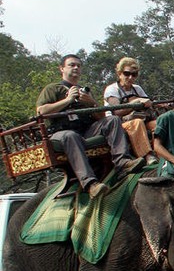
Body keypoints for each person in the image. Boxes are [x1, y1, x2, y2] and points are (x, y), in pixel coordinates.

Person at [36, 54, 144, 199]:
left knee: (112, 120)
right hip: (61, 132)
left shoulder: (84, 91)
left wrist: (91, 103)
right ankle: (90, 184)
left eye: (79, 66)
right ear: (61, 68)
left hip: (86, 130)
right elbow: (41, 111)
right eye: (72, 65)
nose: (76, 68)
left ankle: (123, 161)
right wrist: (68, 100)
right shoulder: (53, 89)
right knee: (70, 135)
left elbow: (101, 117)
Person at [103, 57, 158, 163]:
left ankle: (164, 152)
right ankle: (147, 155)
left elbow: (148, 103)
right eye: (127, 74)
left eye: (134, 74)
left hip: (141, 120)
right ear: (119, 73)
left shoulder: (137, 88)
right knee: (136, 123)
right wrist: (136, 102)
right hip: (118, 126)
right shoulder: (112, 89)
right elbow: (117, 111)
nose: (130, 77)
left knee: (159, 123)